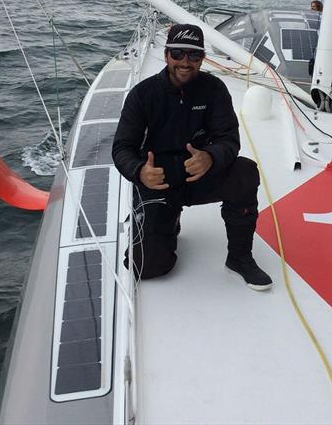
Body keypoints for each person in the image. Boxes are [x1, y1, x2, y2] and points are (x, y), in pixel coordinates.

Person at [112, 23, 273, 291]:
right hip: (158, 182)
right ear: (166, 56)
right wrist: (140, 171)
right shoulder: (142, 95)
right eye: (178, 54)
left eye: (194, 55)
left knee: (245, 172)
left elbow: (229, 140)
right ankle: (166, 219)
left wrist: (211, 156)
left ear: (202, 59)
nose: (185, 62)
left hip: (199, 175)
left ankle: (240, 257)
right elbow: (121, 148)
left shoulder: (215, 89)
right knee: (145, 267)